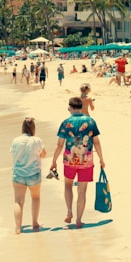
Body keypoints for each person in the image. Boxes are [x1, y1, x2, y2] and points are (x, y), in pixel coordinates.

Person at [48, 96, 105, 229]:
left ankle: (69, 211)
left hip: (69, 160)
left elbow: (59, 144)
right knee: (82, 191)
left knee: (68, 185)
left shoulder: (66, 122)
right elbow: (96, 141)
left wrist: (54, 161)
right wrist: (101, 159)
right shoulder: (90, 121)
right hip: (87, 160)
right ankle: (79, 220)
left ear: (71, 108)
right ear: (82, 107)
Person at [10, 116, 47, 234]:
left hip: (18, 174)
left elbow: (13, 153)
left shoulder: (15, 140)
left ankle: (18, 228)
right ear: (33, 128)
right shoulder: (37, 140)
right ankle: (35, 223)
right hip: (33, 174)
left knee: (18, 201)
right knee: (35, 197)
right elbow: (44, 154)